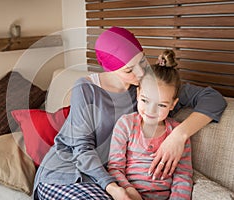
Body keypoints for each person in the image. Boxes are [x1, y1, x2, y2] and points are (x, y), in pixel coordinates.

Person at [33, 27, 226, 200]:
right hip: (66, 174)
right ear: (110, 69)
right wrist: (115, 188)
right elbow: (82, 149)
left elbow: (213, 99)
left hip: (110, 178)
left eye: (142, 61)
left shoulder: (150, 87)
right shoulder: (86, 89)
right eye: (129, 70)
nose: (141, 72)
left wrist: (179, 135)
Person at [107, 57, 193, 200]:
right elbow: (115, 168)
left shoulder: (177, 133)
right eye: (145, 101)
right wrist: (128, 190)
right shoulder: (126, 124)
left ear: (173, 104)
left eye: (161, 105)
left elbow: (183, 175)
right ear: (138, 94)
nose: (151, 111)